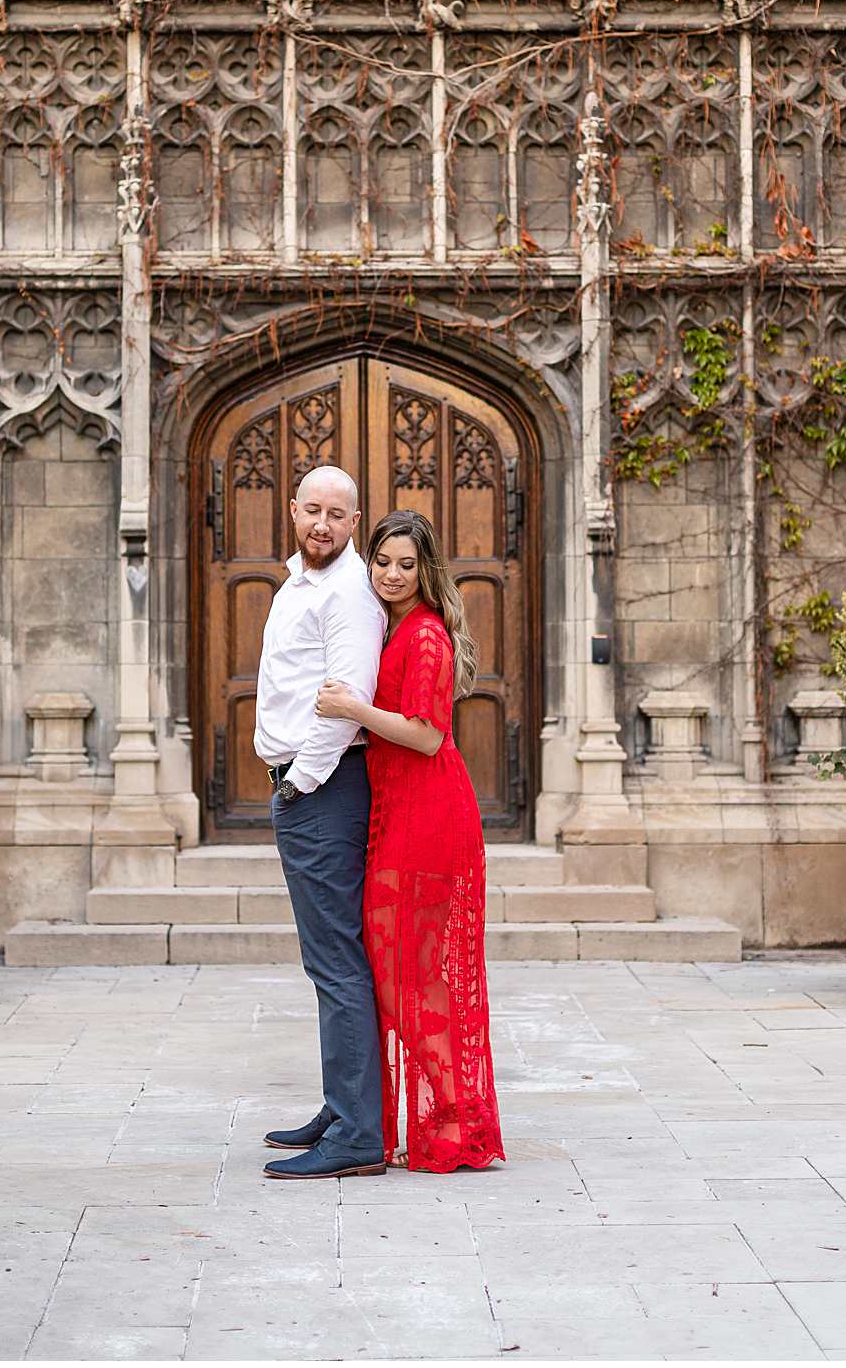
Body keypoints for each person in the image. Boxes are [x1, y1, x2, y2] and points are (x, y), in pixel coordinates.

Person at [317, 509, 505, 1174]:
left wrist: (350, 712)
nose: (392, 575)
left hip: (428, 816)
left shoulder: (425, 636)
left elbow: (425, 734)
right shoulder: (392, 627)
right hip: (396, 813)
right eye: (383, 562)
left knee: (413, 983)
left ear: (426, 570)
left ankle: (454, 1118)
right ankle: (451, 1113)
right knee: (402, 975)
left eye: (406, 564)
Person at [255, 464, 389, 1181]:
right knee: (328, 959)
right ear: (292, 509)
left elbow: (349, 696)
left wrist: (301, 783)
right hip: (310, 790)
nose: (323, 525)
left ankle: (359, 1133)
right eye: (312, 510)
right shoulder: (298, 582)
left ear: (355, 521)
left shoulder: (348, 592)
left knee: (336, 961)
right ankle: (344, 1109)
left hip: (325, 792)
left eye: (338, 514)